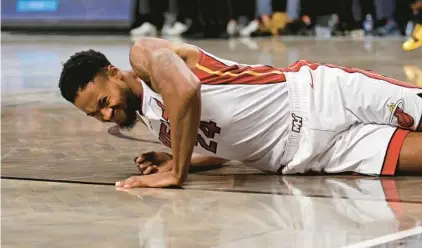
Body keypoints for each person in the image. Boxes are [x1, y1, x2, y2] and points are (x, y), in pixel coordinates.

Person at [58, 37, 422, 189]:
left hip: (319, 97)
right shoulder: (155, 124)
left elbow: (186, 90)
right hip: (313, 155)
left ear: (112, 72)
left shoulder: (146, 56)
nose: (106, 116)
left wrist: (178, 173)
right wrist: (181, 158)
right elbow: (229, 147)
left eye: (104, 103)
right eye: (95, 115)